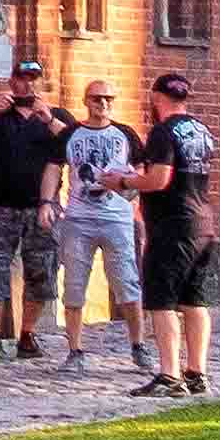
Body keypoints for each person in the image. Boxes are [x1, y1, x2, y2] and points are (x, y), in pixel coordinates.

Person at [44, 64, 144, 372]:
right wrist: (46, 201)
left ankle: (138, 346)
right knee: (74, 286)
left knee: (127, 284)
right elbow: (52, 167)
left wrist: (132, 191)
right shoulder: (71, 134)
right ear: (86, 101)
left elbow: (142, 170)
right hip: (79, 219)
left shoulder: (126, 134)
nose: (103, 104)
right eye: (97, 98)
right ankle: (75, 350)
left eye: (109, 99)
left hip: (116, 218)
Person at [130, 72, 220, 396]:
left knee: (162, 302)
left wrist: (124, 181)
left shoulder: (163, 132)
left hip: (172, 228)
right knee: (194, 300)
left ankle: (170, 376)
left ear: (157, 98)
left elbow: (159, 179)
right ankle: (197, 372)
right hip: (203, 226)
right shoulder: (201, 130)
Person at [0, 66, 68, 362]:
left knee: (40, 272)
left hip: (42, 208)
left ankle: (28, 335)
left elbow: (76, 145)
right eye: (21, 79)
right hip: (3, 208)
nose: (26, 84)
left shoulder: (56, 115)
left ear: (40, 83)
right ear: (12, 81)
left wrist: (48, 119)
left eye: (32, 79)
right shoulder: (0, 116)